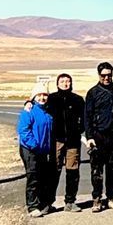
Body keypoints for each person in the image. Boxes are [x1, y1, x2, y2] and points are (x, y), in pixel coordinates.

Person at [82, 62, 113, 209]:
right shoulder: (93, 93)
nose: (106, 78)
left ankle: (111, 198)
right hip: (98, 136)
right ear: (99, 75)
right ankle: (97, 198)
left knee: (112, 168)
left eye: (109, 75)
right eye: (103, 75)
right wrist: (89, 137)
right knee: (96, 169)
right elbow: (87, 116)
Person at [44, 71, 85, 211]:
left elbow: (84, 118)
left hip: (73, 141)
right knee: (53, 171)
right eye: (62, 81)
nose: (65, 83)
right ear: (57, 84)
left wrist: (79, 129)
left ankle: (70, 201)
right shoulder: (51, 99)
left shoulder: (78, 100)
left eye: (68, 81)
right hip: (56, 140)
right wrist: (27, 103)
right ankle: (48, 202)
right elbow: (38, 104)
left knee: (72, 171)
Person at [15, 87, 56, 215]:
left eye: (45, 95)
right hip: (30, 150)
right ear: (33, 97)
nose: (42, 98)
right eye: (39, 95)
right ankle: (32, 206)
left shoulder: (48, 112)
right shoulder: (29, 111)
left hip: (43, 150)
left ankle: (43, 204)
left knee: (43, 177)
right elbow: (24, 131)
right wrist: (34, 145)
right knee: (33, 177)